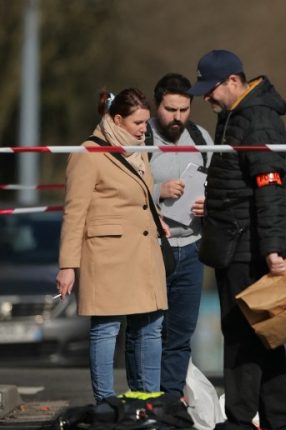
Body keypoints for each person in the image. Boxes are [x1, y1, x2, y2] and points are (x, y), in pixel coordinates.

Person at [187, 49, 286, 430]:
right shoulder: (237, 114)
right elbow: (241, 180)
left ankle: (240, 420)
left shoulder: (256, 118)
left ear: (233, 81)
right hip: (237, 239)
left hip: (247, 247)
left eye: (210, 89)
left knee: (243, 334)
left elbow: (269, 186)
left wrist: (272, 249)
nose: (206, 98)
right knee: (263, 334)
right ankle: (278, 420)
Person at [55, 88, 168, 402]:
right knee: (107, 328)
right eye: (138, 122)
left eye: (147, 122)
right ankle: (105, 403)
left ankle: (149, 401)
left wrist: (158, 219)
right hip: (107, 256)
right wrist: (68, 266)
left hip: (144, 253)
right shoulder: (87, 153)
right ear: (118, 119)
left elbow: (140, 198)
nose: (145, 128)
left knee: (151, 326)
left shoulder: (139, 149)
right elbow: (74, 212)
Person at [148, 73, 214, 396]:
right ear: (157, 105)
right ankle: (145, 397)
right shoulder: (141, 137)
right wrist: (159, 190)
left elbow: (218, 183)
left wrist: (209, 204)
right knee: (148, 331)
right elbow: (120, 187)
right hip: (152, 248)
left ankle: (171, 401)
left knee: (180, 333)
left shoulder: (201, 137)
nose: (178, 118)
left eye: (184, 110)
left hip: (191, 247)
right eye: (171, 110)